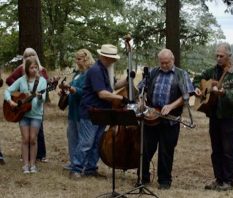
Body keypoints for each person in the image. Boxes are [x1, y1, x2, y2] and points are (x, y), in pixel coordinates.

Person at [138, 49, 194, 190]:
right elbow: (141, 88)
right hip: (151, 117)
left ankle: (164, 181)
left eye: (166, 63)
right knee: (145, 149)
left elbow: (186, 95)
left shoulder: (181, 74)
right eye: (161, 63)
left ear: (172, 60)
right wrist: (142, 100)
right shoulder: (153, 72)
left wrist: (171, 106)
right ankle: (143, 178)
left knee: (166, 151)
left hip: (171, 120)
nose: (163, 65)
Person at [70, 44, 128, 178]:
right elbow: (102, 94)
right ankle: (76, 169)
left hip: (102, 111)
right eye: (109, 58)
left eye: (113, 58)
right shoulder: (96, 70)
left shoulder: (105, 69)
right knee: (86, 142)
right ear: (103, 56)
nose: (112, 61)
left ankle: (91, 169)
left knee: (97, 142)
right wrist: (122, 99)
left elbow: (113, 86)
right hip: (91, 111)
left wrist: (127, 80)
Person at [193, 43, 233, 191]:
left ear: (229, 56)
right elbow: (198, 78)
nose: (218, 58)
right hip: (215, 116)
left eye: (221, 56)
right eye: (216, 55)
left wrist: (224, 93)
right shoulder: (212, 71)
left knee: (228, 150)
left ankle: (229, 181)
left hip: (230, 118)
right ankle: (219, 179)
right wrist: (199, 88)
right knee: (216, 150)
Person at [4, 56, 47, 173]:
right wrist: (10, 101)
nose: (34, 70)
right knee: (25, 139)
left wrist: (39, 97)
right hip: (23, 114)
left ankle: (33, 165)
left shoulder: (42, 81)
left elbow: (43, 99)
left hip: (36, 114)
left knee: (33, 139)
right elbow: (7, 91)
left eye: (36, 67)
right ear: (27, 69)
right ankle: (25, 165)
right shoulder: (22, 80)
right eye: (31, 67)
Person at [60, 49, 95, 170]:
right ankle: (73, 162)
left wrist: (72, 89)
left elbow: (85, 92)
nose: (77, 61)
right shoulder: (77, 74)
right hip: (72, 111)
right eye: (76, 58)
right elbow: (72, 89)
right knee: (72, 137)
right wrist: (65, 91)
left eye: (79, 59)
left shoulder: (89, 74)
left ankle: (82, 164)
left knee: (83, 139)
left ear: (86, 59)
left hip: (82, 111)